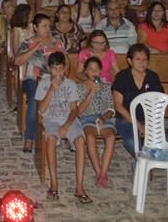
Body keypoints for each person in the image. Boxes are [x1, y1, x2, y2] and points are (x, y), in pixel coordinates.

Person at [35, 52, 84, 202]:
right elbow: (41, 110)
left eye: (60, 69)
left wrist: (67, 125)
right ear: (49, 69)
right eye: (54, 69)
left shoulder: (70, 84)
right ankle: (54, 184)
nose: (57, 73)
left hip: (68, 119)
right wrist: (51, 90)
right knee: (50, 139)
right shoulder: (43, 84)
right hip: (51, 119)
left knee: (81, 141)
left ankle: (80, 186)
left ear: (64, 69)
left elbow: (74, 109)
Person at [14, 14, 66, 153]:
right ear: (35, 27)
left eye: (49, 26)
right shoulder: (28, 42)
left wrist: (61, 76)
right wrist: (34, 48)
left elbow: (66, 62)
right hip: (33, 79)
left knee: (68, 91)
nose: (48, 29)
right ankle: (29, 137)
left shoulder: (57, 42)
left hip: (55, 77)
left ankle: (64, 133)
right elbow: (17, 61)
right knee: (35, 97)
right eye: (44, 26)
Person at [112, 44, 164, 158]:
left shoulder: (153, 77)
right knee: (132, 142)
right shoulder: (122, 77)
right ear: (130, 61)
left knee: (160, 143)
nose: (142, 62)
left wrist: (148, 124)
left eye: (145, 59)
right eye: (138, 59)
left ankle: (144, 166)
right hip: (126, 120)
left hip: (149, 120)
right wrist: (139, 125)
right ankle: (142, 165)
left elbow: (159, 103)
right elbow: (118, 106)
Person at [75, 56, 117, 189]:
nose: (94, 73)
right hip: (86, 117)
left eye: (96, 70)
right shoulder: (79, 87)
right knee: (90, 136)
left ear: (100, 71)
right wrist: (91, 92)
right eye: (90, 70)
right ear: (85, 71)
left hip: (102, 117)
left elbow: (111, 108)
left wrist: (104, 117)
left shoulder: (105, 87)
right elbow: (79, 111)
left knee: (111, 136)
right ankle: (99, 173)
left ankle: (103, 172)